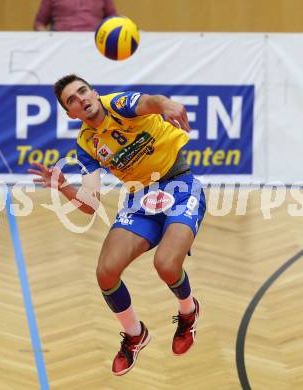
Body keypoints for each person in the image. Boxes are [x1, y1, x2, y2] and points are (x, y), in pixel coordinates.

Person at [28, 74, 206, 376]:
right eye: (72, 100)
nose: (81, 99)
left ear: (94, 93)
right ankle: (135, 334)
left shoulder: (119, 104)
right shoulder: (86, 143)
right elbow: (90, 203)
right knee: (106, 272)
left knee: (166, 265)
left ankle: (188, 311)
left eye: (83, 91)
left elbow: (151, 102)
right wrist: (63, 187)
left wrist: (167, 104)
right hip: (140, 200)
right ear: (71, 113)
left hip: (180, 186)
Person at [34, 0, 117, 32]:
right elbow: (39, 24)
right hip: (61, 46)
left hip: (94, 44)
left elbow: (113, 20)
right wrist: (50, 40)